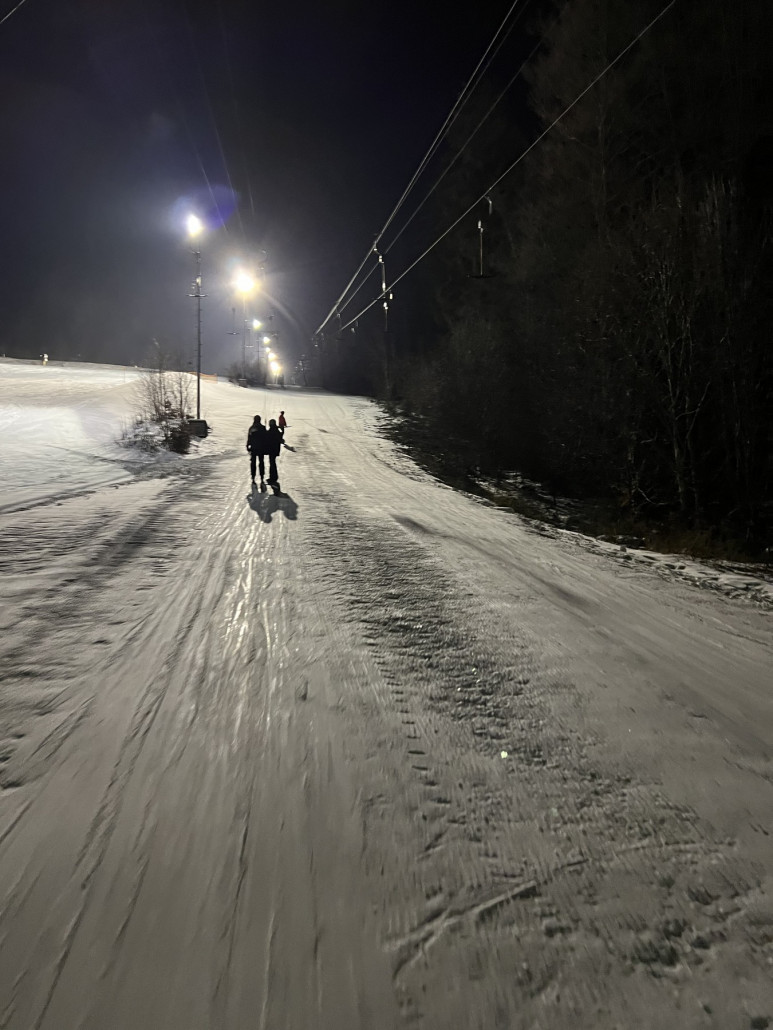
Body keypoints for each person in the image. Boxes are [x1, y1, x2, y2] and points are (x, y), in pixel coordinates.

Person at [246, 415, 268, 484]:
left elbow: (249, 438)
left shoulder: (252, 428)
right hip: (261, 448)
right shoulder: (263, 427)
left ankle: (253, 477)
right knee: (261, 462)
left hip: (253, 448)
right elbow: (265, 438)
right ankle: (262, 476)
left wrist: (247, 446)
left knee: (253, 463)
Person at [266, 418, 284, 485]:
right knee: (272, 462)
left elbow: (267, 438)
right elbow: (281, 436)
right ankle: (273, 477)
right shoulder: (277, 430)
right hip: (276, 449)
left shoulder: (271, 430)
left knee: (272, 463)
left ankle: (273, 478)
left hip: (271, 450)